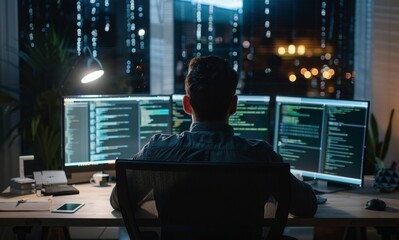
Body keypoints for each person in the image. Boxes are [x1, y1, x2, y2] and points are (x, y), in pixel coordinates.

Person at [110, 55, 317, 218]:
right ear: (234, 105)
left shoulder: (158, 151)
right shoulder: (261, 156)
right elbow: (307, 206)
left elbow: (119, 200)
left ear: (186, 105)